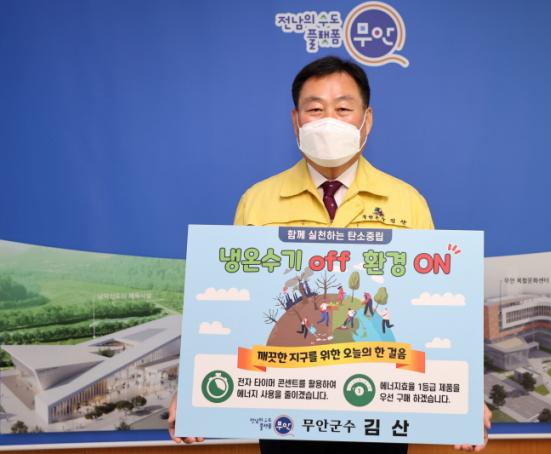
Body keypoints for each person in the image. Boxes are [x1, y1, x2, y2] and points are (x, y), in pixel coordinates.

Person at [168, 56, 490, 452]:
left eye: (343, 109)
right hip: (287, 408)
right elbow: (236, 309)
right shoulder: (258, 201)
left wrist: (466, 398)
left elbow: (435, 312)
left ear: (367, 120)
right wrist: (192, 391)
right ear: (296, 121)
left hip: (379, 409)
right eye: (316, 110)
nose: (329, 122)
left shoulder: (407, 203)